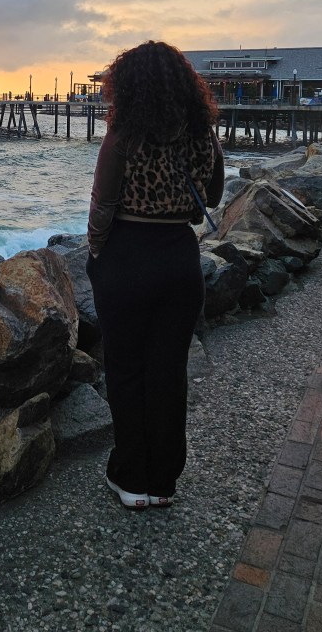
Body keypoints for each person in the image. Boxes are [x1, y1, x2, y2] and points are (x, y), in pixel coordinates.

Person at [86, 40, 224, 510]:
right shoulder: (202, 134)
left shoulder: (124, 136)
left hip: (128, 254)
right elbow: (215, 196)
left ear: (127, 86)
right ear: (185, 84)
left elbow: (103, 204)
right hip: (179, 258)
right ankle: (163, 480)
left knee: (126, 368)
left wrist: (97, 252)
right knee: (168, 371)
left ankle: (130, 478)